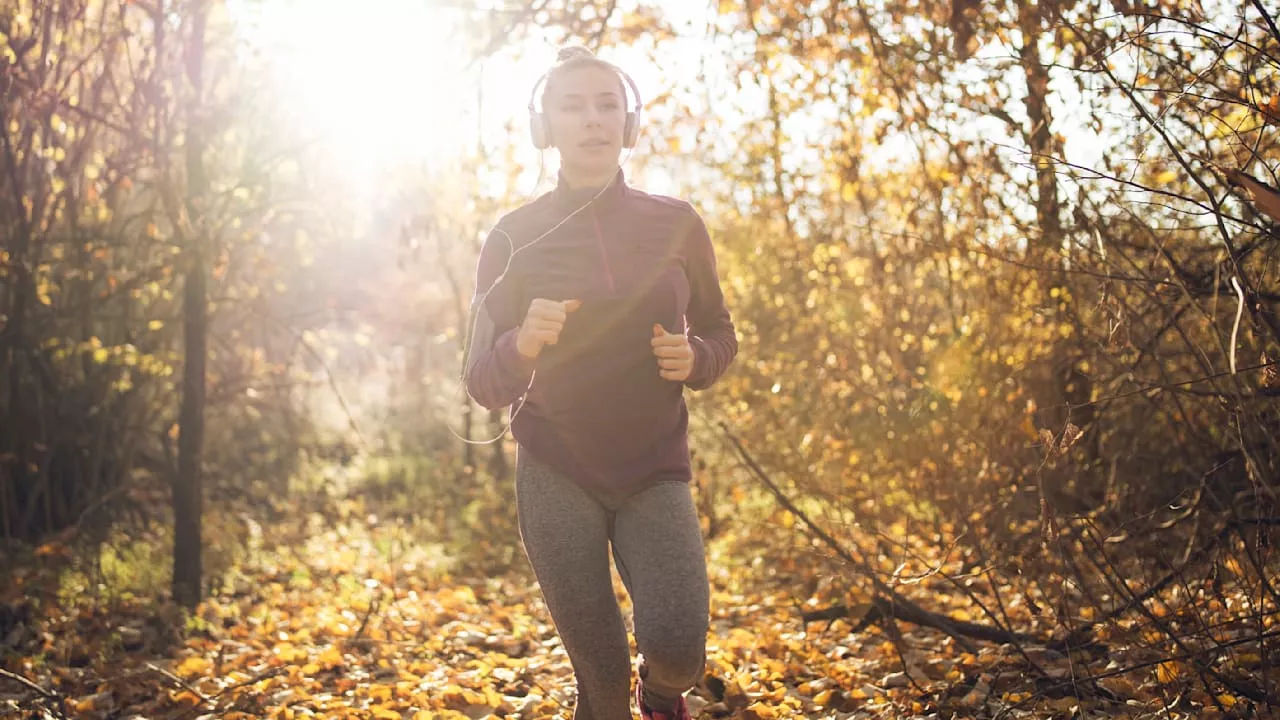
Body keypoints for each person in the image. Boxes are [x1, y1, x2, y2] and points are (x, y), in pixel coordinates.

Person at [462, 45, 738, 720]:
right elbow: (479, 380)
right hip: (557, 470)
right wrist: (521, 344)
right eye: (573, 106)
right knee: (603, 690)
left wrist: (696, 357)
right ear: (545, 126)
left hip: (655, 467)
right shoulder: (513, 237)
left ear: (630, 121)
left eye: (607, 104)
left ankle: (663, 691)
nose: (593, 120)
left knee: (678, 652)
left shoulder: (677, 223)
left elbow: (721, 331)